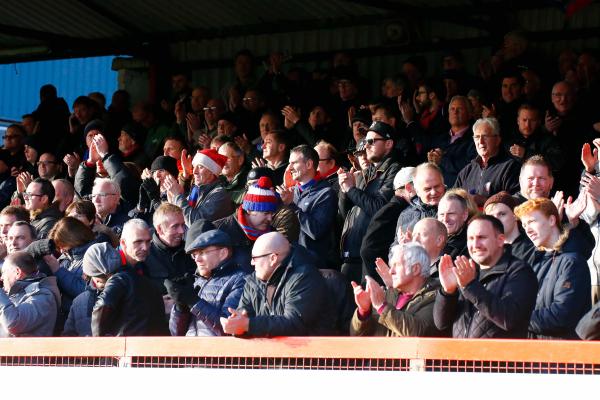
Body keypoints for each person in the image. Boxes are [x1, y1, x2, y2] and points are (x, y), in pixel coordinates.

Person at [433, 215, 538, 338]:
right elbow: (441, 324)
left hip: (501, 356)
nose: (475, 244)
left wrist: (470, 286)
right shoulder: (466, 271)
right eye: (471, 238)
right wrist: (448, 292)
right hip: (462, 356)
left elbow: (509, 320)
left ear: (500, 240)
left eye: (481, 237)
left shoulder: (520, 272)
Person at [220, 232, 328, 336]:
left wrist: (249, 325)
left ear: (272, 258)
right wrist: (236, 324)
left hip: (306, 351)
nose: (251, 263)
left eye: (254, 258)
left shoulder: (304, 277)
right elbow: (243, 318)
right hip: (266, 352)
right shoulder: (253, 281)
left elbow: (294, 324)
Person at [514, 198, 591, 339]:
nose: (528, 230)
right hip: (535, 356)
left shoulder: (572, 262)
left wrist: (515, 319)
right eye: (524, 226)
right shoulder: (534, 263)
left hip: (565, 356)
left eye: (531, 222)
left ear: (551, 220)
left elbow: (561, 316)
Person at [338, 121, 400, 284]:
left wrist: (352, 190)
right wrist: (345, 190)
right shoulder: (367, 172)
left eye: (372, 141)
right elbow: (346, 214)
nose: (366, 146)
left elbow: (380, 208)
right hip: (350, 255)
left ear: (388, 144)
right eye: (365, 142)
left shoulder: (395, 169)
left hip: (373, 258)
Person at [350, 243, 444, 337]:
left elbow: (419, 332)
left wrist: (381, 306)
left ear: (415, 269)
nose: (391, 271)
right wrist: (363, 311)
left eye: (397, 265)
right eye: (391, 266)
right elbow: (355, 335)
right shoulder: (386, 295)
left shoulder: (435, 296)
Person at [167, 230, 249, 336]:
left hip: (219, 352)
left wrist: (193, 302)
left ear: (223, 253)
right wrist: (180, 307)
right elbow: (176, 334)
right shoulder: (197, 282)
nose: (197, 259)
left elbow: (229, 328)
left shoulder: (240, 280)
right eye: (194, 255)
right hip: (191, 351)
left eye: (202, 253)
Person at [84, 242, 168, 336]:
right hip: (154, 344)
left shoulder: (119, 279)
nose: (94, 281)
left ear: (100, 274)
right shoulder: (145, 280)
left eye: (94, 277)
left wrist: (98, 339)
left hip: (129, 346)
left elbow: (103, 304)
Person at [277, 145, 337, 266]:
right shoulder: (290, 192)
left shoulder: (325, 193)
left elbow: (316, 231)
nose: (289, 168)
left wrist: (292, 206)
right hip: (289, 263)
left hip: (314, 266)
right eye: (289, 163)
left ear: (309, 164)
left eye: (294, 163)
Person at [454, 117, 521, 207]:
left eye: (485, 136)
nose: (480, 142)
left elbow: (517, 202)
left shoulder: (510, 167)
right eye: (477, 137)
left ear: (497, 140)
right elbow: (452, 199)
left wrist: (485, 201)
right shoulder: (466, 172)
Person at [214, 176, 279, 267]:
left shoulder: (272, 235)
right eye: (266, 213)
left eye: (271, 213)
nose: (270, 218)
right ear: (249, 210)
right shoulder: (219, 230)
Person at [165, 148, 233, 225]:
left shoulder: (220, 195)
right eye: (194, 167)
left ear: (212, 171)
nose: (194, 171)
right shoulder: (196, 190)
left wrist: (177, 196)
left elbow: (195, 223)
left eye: (200, 167)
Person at [0, 251, 60, 337]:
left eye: (4, 272)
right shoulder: (13, 294)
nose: (1, 278)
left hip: (30, 350)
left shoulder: (43, 296)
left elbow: (13, 323)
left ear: (17, 272)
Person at [144, 203, 196, 296]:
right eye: (175, 226)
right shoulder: (145, 257)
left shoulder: (191, 251)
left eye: (183, 225)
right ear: (160, 229)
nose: (182, 231)